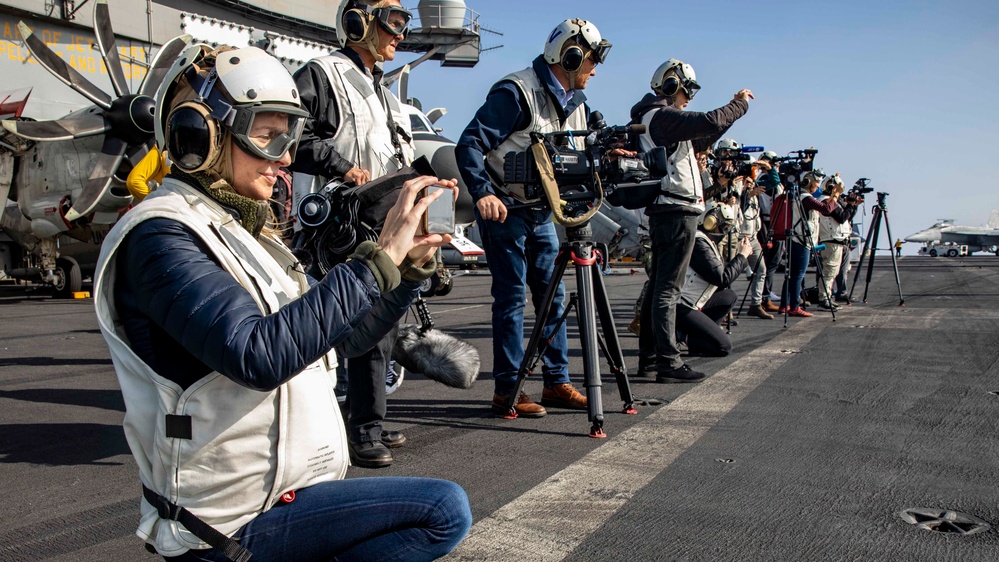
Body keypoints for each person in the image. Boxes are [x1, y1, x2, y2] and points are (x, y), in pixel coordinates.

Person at [93, 45, 471, 561]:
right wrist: (377, 258)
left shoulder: (245, 236)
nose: (287, 157)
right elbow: (257, 354)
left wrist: (405, 272)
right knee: (442, 510)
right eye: (268, 138)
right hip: (227, 524)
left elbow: (348, 339)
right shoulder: (160, 235)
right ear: (200, 137)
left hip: (281, 495)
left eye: (288, 136)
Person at [455, 18, 613, 416]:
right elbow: (470, 144)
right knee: (510, 299)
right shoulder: (517, 92)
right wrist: (483, 193)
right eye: (591, 60)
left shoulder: (577, 105)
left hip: (542, 211)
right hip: (505, 208)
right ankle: (507, 390)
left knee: (552, 296)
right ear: (571, 56)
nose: (595, 69)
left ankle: (556, 382)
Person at [291, 0, 418, 467]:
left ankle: (364, 420)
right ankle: (359, 428)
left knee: (378, 326)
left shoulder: (383, 91)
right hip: (335, 229)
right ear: (357, 21)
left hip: (380, 221)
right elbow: (286, 135)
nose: (400, 35)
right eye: (394, 22)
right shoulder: (322, 75)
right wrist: (342, 167)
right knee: (352, 327)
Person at [630, 58, 752, 383]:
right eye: (688, 90)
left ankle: (652, 358)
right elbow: (710, 121)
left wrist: (728, 120)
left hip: (666, 211)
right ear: (672, 85)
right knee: (668, 290)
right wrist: (739, 105)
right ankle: (668, 363)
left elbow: (705, 133)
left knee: (659, 288)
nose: (690, 98)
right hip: (676, 212)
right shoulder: (662, 117)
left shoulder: (657, 120)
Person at [677, 202, 752, 356]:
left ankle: (702, 336)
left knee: (729, 296)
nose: (723, 232)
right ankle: (684, 336)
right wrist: (742, 256)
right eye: (722, 227)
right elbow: (722, 279)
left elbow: (721, 283)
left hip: (692, 301)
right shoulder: (698, 242)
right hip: (683, 305)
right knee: (724, 347)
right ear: (709, 221)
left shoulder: (704, 241)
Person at [779, 169, 840, 317]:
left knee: (792, 274)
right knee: (798, 274)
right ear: (807, 182)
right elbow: (825, 209)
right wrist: (835, 196)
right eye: (816, 182)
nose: (818, 186)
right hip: (802, 240)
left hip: (796, 239)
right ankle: (794, 306)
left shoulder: (800, 196)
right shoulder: (805, 198)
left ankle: (784, 304)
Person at [816, 174, 862, 310]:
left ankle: (826, 297)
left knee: (833, 271)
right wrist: (850, 205)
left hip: (836, 240)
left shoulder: (829, 201)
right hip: (832, 240)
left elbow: (846, 217)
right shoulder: (826, 201)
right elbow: (841, 218)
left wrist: (852, 206)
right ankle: (824, 298)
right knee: (829, 271)